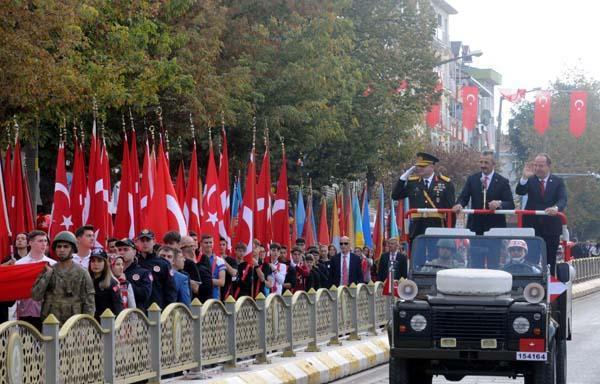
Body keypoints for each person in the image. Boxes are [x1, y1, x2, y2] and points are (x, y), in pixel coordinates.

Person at [453, 150, 515, 268]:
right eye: (481, 162)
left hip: (495, 228)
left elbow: (510, 204)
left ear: (493, 164)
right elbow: (463, 197)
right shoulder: (472, 179)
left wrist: (499, 203)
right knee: (476, 263)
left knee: (493, 263)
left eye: (486, 162)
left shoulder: (502, 181)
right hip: (476, 227)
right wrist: (460, 204)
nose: (483, 165)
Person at [392, 152, 455, 267]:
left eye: (423, 166)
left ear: (432, 167)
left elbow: (451, 210)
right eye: (418, 166)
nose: (419, 169)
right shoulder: (413, 182)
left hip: (436, 225)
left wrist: (450, 231)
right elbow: (395, 195)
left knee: (435, 257)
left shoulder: (445, 183)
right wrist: (404, 177)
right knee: (417, 257)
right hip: (417, 225)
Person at [515, 154, 567, 274]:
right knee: (530, 259)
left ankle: (549, 285)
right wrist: (524, 178)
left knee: (549, 260)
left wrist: (556, 208)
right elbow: (520, 191)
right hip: (532, 226)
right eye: (535, 165)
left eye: (541, 166)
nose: (537, 168)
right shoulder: (530, 179)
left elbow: (562, 199)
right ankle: (531, 286)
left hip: (551, 227)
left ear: (548, 166)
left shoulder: (558, 181)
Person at [31, 231, 95, 325]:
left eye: (66, 247)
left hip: (73, 326)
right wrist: (47, 276)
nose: (61, 250)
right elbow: (36, 296)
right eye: (59, 246)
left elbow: (89, 304)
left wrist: (84, 328)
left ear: (73, 249)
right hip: (50, 324)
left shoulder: (82, 273)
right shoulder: (48, 270)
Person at [15, 230, 57, 329]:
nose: (44, 244)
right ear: (30, 243)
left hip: (47, 313)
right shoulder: (20, 264)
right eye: (40, 241)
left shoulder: (53, 264)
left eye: (45, 241)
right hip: (25, 311)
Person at [135, 229, 177, 309]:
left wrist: (169, 311)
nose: (145, 243)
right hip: (138, 309)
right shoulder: (134, 262)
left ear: (154, 241)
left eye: (148, 240)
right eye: (142, 240)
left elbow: (170, 290)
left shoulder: (163, 263)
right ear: (137, 242)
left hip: (157, 309)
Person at [116, 238, 152, 310]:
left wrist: (126, 283)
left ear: (134, 252)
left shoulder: (144, 273)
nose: (122, 252)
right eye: (119, 250)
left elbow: (145, 295)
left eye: (126, 249)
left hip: (137, 315)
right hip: (116, 315)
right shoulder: (112, 272)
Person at [89, 248, 123, 321]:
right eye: (93, 261)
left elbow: (118, 307)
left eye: (99, 261)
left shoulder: (112, 283)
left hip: (108, 323)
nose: (96, 264)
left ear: (105, 263)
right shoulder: (87, 281)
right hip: (90, 324)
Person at [198, 234, 226, 300]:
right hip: (198, 296)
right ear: (201, 243)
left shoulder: (219, 260)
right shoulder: (196, 258)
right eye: (206, 243)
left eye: (210, 242)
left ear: (213, 244)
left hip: (214, 297)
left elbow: (222, 282)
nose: (208, 245)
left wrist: (205, 281)